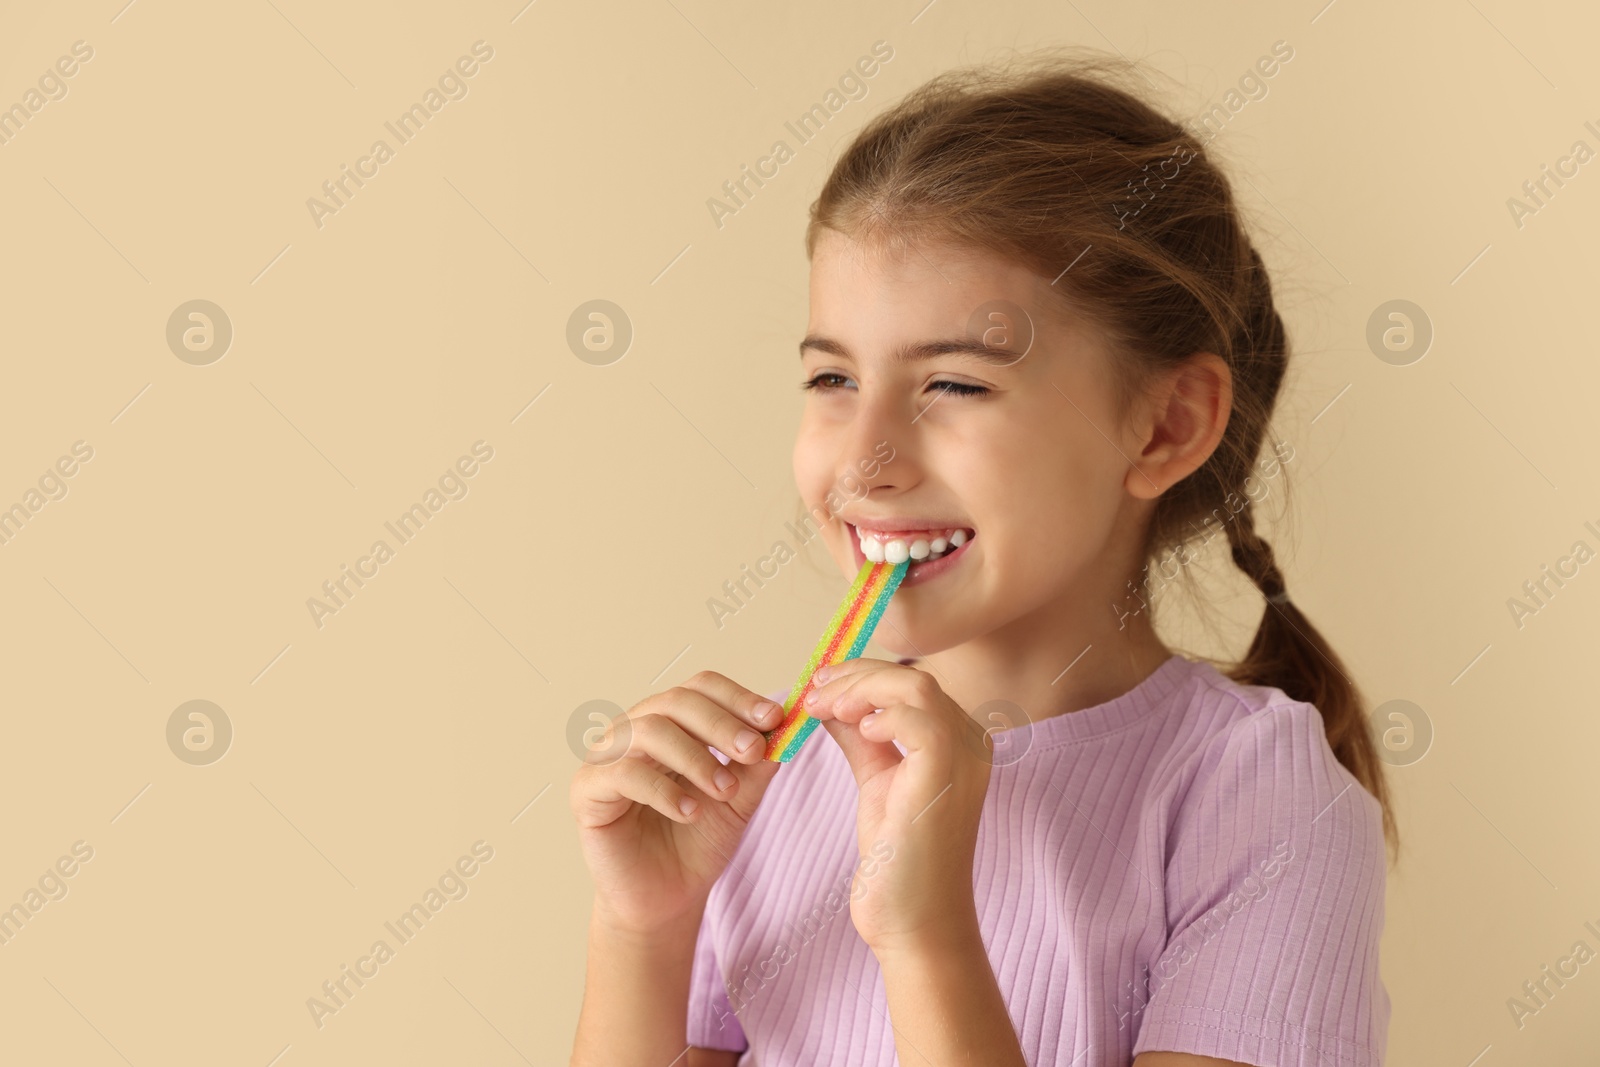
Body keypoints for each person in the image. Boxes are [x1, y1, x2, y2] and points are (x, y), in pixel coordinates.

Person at [570, 47, 1395, 1067]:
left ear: (1163, 425)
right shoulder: (772, 780)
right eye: (832, 376)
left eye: (953, 384)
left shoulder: (1258, 798)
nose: (863, 462)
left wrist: (924, 934)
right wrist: (644, 929)